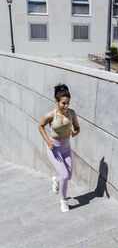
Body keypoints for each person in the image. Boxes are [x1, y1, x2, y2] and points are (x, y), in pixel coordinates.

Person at [38, 84, 80, 212]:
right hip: (54, 148)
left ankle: (56, 181)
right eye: (63, 103)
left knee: (68, 175)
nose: (66, 106)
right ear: (56, 102)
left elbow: (77, 128)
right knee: (65, 174)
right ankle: (63, 200)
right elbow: (40, 126)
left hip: (66, 148)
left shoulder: (71, 113)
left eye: (68, 103)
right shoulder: (50, 115)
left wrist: (74, 133)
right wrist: (48, 141)